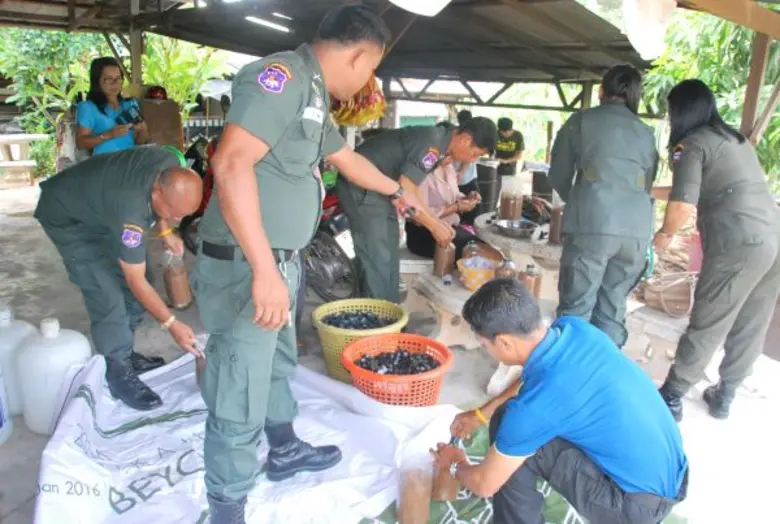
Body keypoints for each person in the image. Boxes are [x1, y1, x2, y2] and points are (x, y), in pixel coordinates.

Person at [191, 7, 422, 523]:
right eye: (371, 70)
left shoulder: (314, 93)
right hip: (249, 265)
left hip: (280, 261)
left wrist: (398, 191)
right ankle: (226, 507)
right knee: (239, 388)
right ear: (360, 55)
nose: (367, 81)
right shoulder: (281, 80)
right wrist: (265, 271)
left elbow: (347, 161)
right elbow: (229, 163)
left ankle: (285, 449)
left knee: (276, 365)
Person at [432, 278, 689, 524]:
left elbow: (485, 484)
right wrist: (480, 414)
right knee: (506, 417)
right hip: (671, 473)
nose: (486, 350)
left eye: (484, 344)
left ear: (504, 343)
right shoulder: (574, 330)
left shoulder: (532, 411)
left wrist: (455, 464)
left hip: (633, 508)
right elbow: (534, 375)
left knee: (510, 427)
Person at [34, 146, 202, 411]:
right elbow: (135, 281)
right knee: (107, 290)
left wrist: (166, 230)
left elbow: (166, 208)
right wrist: (172, 324)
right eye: (173, 212)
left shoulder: (170, 163)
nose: (176, 219)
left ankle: (126, 352)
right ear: (157, 191)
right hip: (67, 217)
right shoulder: (131, 213)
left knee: (143, 277)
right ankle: (117, 371)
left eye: (182, 215)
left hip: (99, 206)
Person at [655, 79, 780, 421]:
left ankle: (672, 395)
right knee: (752, 319)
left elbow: (682, 204)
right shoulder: (733, 139)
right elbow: (687, 190)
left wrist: (664, 235)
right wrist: (647, 190)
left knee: (710, 318)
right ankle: (724, 394)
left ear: (680, 112)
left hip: (739, 241)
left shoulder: (691, 145)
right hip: (773, 236)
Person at [547, 65, 658, 348]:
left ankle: (569, 375)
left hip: (594, 224)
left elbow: (558, 175)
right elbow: (647, 182)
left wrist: (584, 203)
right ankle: (605, 372)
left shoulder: (581, 121)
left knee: (577, 307)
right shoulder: (646, 132)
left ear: (601, 91)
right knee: (612, 306)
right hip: (636, 231)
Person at [336, 117, 498, 303]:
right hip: (363, 188)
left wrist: (435, 222)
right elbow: (407, 191)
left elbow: (408, 193)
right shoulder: (432, 145)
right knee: (377, 257)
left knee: (389, 251)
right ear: (466, 139)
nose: (473, 160)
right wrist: (433, 225)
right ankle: (376, 320)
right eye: (476, 154)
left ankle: (389, 311)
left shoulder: (439, 144)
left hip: (383, 191)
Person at [405, 147, 481, 261]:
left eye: (452, 154)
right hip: (425, 234)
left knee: (480, 245)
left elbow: (454, 194)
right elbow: (419, 216)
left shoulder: (447, 166)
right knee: (475, 250)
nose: (452, 159)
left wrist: (468, 197)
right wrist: (456, 207)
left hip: (449, 228)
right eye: (447, 154)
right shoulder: (421, 173)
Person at [76, 57, 149, 155]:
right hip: (106, 163)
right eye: (109, 79)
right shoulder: (88, 107)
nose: (115, 84)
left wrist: (143, 130)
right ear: (97, 81)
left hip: (131, 160)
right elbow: (80, 143)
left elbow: (139, 142)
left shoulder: (130, 104)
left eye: (118, 79)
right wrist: (108, 135)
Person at [453, 109, 480, 225]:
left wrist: (459, 173)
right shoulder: (471, 135)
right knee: (469, 209)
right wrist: (460, 172)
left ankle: (464, 228)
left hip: (461, 177)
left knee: (470, 203)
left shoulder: (458, 132)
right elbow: (468, 158)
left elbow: (469, 158)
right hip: (461, 178)